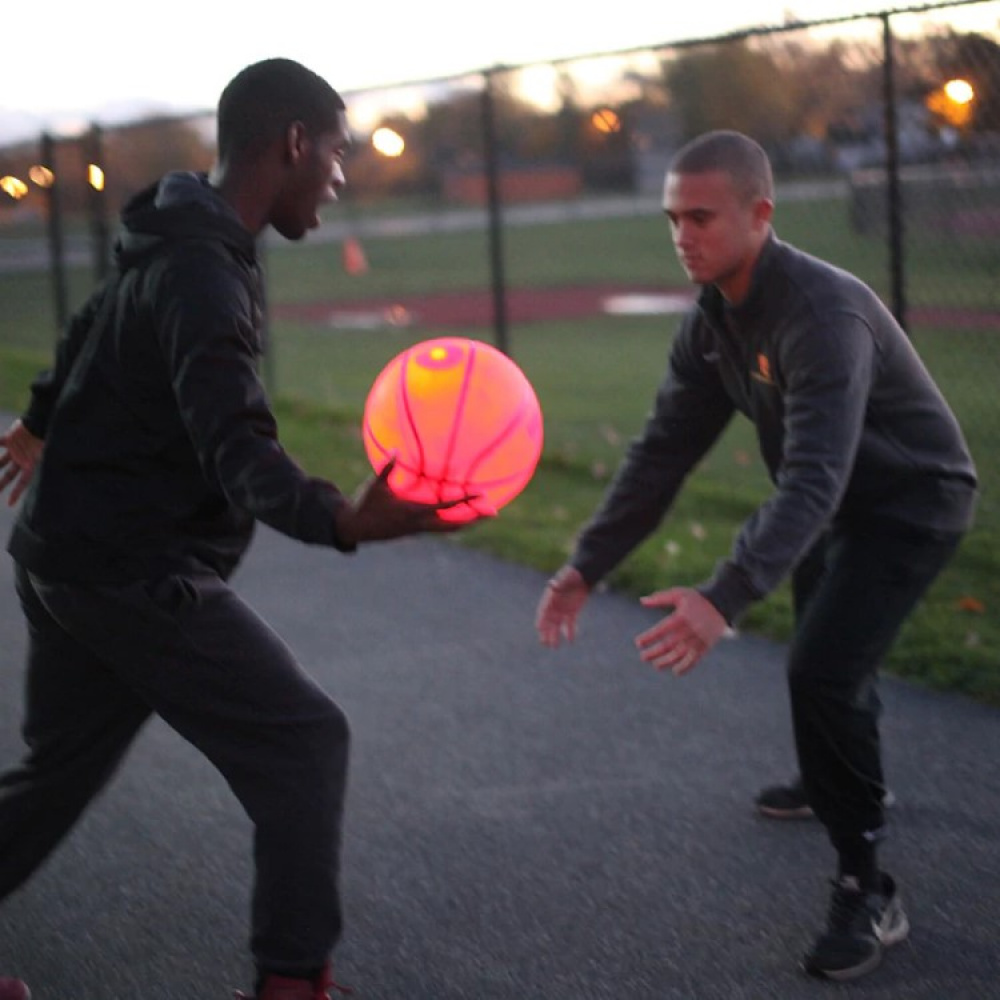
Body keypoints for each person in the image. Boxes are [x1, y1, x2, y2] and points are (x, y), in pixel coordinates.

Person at [0, 58, 485, 1000]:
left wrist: (42, 416)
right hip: (130, 567)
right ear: (293, 143)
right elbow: (236, 443)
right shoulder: (204, 273)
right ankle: (293, 984)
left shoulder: (178, 230)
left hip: (65, 554)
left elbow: (97, 316)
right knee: (305, 741)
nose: (340, 177)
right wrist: (342, 518)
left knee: (56, 775)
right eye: (337, 153)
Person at [535, 130, 976, 981]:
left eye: (701, 217)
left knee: (821, 669)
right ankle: (840, 779)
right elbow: (661, 453)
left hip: (910, 504)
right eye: (672, 219)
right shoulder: (712, 324)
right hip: (836, 505)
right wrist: (586, 563)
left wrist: (723, 594)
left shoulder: (821, 316)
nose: (682, 236)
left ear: (760, 214)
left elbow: (812, 480)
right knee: (829, 667)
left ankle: (868, 888)